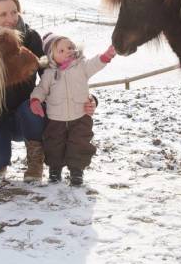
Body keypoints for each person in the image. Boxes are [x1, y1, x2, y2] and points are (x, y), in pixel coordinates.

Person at [0, 0, 97, 182]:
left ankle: (35, 159)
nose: (10, 19)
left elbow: (59, 74)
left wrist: (89, 99)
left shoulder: (31, 38)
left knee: (31, 108)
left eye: (14, 12)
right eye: (3, 14)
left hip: (27, 114)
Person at [29, 33, 116, 186]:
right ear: (51, 57)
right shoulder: (49, 74)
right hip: (56, 118)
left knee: (80, 143)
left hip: (80, 116)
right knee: (54, 145)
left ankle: (77, 171)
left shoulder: (81, 66)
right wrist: (35, 100)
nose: (67, 51)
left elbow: (95, 63)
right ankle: (55, 170)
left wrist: (106, 55)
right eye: (61, 50)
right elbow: (41, 89)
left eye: (69, 47)